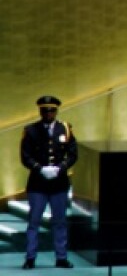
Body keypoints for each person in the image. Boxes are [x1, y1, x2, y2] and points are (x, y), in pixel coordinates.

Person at [20, 95, 78, 270]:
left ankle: (61, 257)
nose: (48, 113)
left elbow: (73, 154)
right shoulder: (31, 130)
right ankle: (30, 258)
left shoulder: (65, 129)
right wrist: (39, 168)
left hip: (58, 183)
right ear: (40, 111)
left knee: (60, 221)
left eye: (51, 110)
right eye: (45, 110)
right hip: (38, 184)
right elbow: (25, 156)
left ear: (56, 111)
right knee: (34, 221)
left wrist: (61, 167)